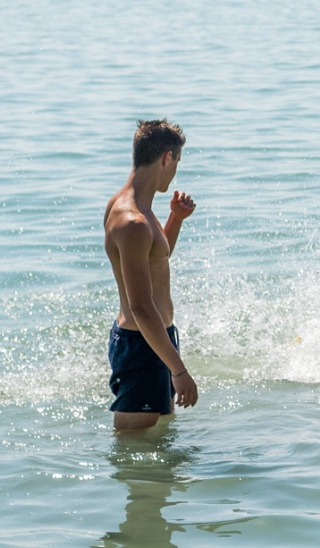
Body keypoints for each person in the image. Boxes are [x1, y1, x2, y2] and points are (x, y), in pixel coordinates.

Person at [103, 119, 198, 431]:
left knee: (160, 440)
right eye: (177, 163)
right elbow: (141, 306)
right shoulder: (131, 220)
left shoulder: (141, 208)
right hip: (142, 343)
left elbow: (156, 254)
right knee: (135, 449)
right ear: (166, 158)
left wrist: (176, 218)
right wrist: (179, 370)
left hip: (157, 338)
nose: (175, 173)